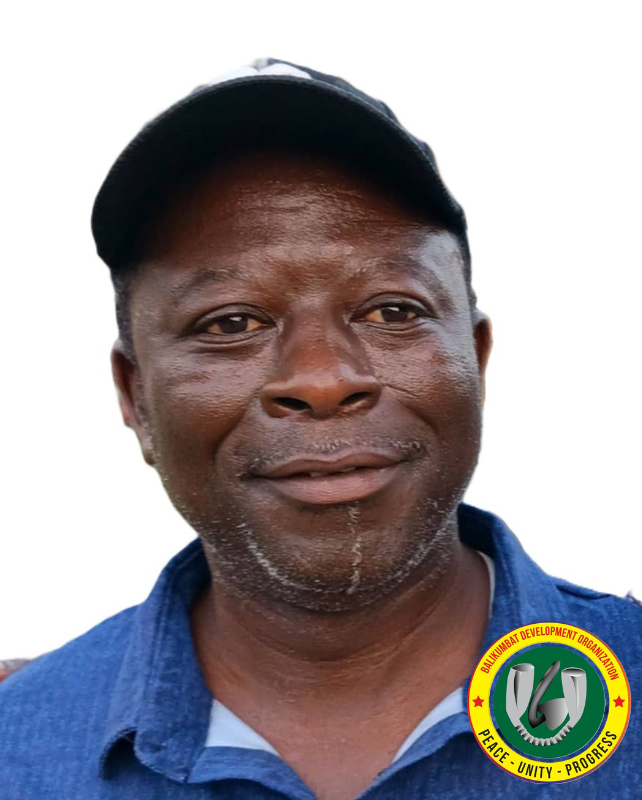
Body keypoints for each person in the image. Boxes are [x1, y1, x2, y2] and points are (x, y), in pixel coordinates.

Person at [0, 58, 639, 800]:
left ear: (476, 358)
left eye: (393, 311)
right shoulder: (20, 751)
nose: (323, 378)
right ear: (134, 395)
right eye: (230, 323)